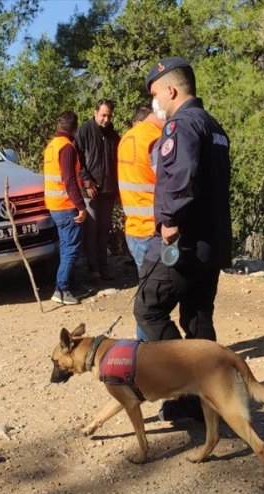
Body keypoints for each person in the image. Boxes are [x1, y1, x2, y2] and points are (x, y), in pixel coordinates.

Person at [134, 57, 233, 421]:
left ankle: (185, 386)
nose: (155, 101)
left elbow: (183, 176)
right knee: (198, 316)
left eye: (155, 93)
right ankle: (208, 395)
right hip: (212, 242)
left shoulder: (181, 125)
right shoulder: (213, 125)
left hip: (185, 242)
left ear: (171, 90)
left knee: (147, 306)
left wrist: (170, 221)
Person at [117, 104, 164, 340]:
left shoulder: (127, 138)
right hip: (152, 230)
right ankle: (148, 352)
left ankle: (144, 350)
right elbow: (167, 182)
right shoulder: (156, 138)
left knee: (146, 295)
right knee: (152, 301)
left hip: (133, 227)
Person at [43, 111, 87, 306]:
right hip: (66, 205)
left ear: (58, 126)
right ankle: (61, 289)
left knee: (65, 247)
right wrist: (81, 206)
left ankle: (69, 283)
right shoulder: (67, 148)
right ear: (75, 129)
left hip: (54, 205)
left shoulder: (52, 146)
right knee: (71, 249)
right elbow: (69, 180)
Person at [73, 99, 120, 281]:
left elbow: (117, 164)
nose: (106, 119)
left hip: (108, 190)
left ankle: (103, 266)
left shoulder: (113, 136)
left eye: (109, 115)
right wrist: (86, 180)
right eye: (103, 115)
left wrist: (117, 190)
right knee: (91, 231)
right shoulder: (84, 131)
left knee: (103, 230)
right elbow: (77, 158)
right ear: (95, 113)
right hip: (90, 191)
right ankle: (92, 269)